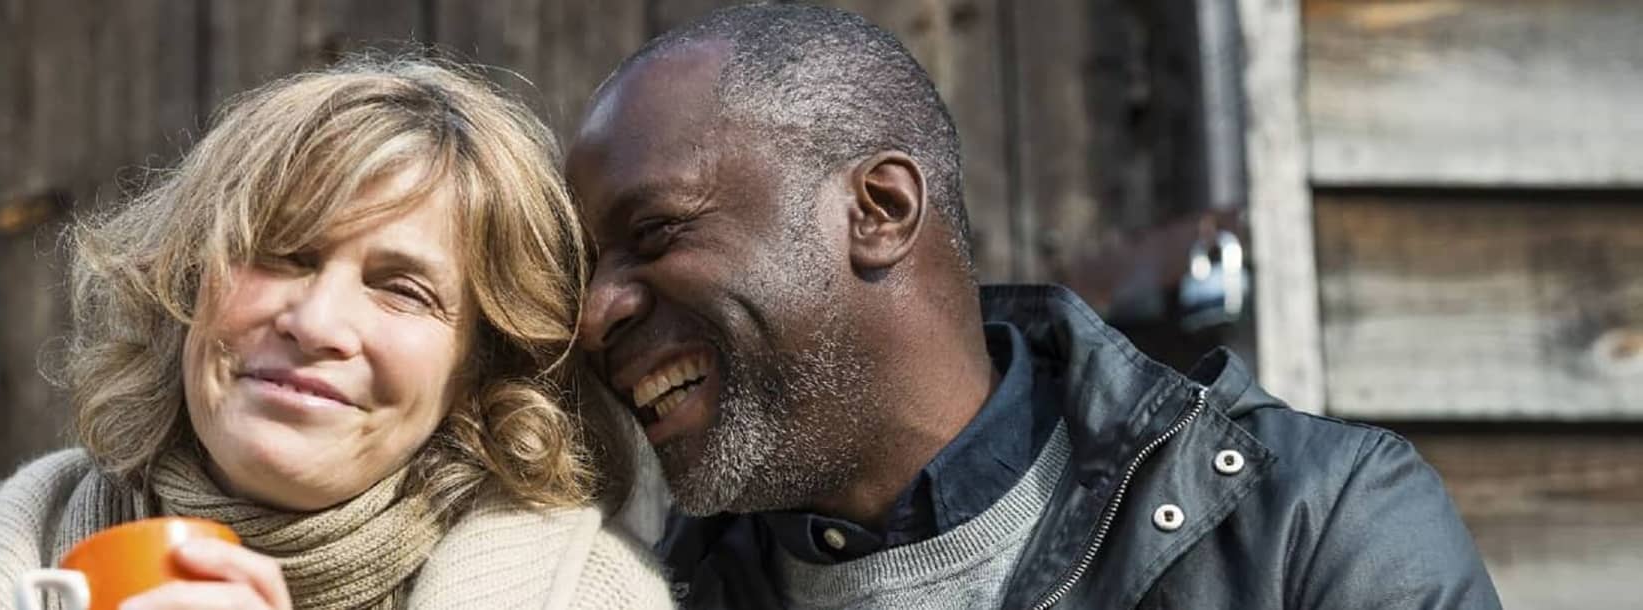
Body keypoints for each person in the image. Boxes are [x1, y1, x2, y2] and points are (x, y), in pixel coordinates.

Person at [564, 5, 1501, 609]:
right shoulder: (645, 595)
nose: (596, 312)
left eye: (654, 234)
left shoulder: (1313, 525)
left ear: (878, 211)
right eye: (586, 270)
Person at [0, 56, 670, 610]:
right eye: (280, 257)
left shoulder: (590, 597)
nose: (314, 324)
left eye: (403, 290)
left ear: (480, 370)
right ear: (184, 285)